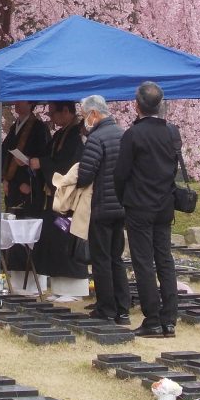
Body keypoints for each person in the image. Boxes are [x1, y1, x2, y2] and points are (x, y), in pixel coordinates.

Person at [114, 81, 179, 338]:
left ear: (137, 105)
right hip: (165, 204)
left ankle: (152, 319)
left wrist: (124, 197)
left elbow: (120, 173)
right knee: (164, 259)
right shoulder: (172, 132)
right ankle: (170, 319)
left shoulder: (133, 134)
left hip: (139, 204)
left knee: (144, 261)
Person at [76, 94, 130, 324]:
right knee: (117, 257)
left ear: (94, 114)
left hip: (102, 206)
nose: (84, 121)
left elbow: (85, 174)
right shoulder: (123, 134)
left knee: (101, 258)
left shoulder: (96, 139)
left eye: (84, 116)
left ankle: (106, 308)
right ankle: (123, 309)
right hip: (122, 206)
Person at [32, 101, 89, 295]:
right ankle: (59, 286)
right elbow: (51, 158)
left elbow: (69, 166)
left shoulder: (78, 135)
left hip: (70, 199)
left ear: (66, 111)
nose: (51, 118)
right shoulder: (60, 134)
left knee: (67, 240)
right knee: (53, 238)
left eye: (53, 114)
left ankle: (72, 288)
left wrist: (43, 164)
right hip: (54, 198)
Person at [0, 101, 49, 215]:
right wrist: (4, 179)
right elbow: (5, 152)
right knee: (11, 220)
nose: (17, 103)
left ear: (30, 104)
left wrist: (30, 182)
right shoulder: (14, 127)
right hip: (12, 183)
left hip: (28, 184)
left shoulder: (39, 127)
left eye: (21, 100)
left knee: (26, 223)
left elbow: (43, 156)